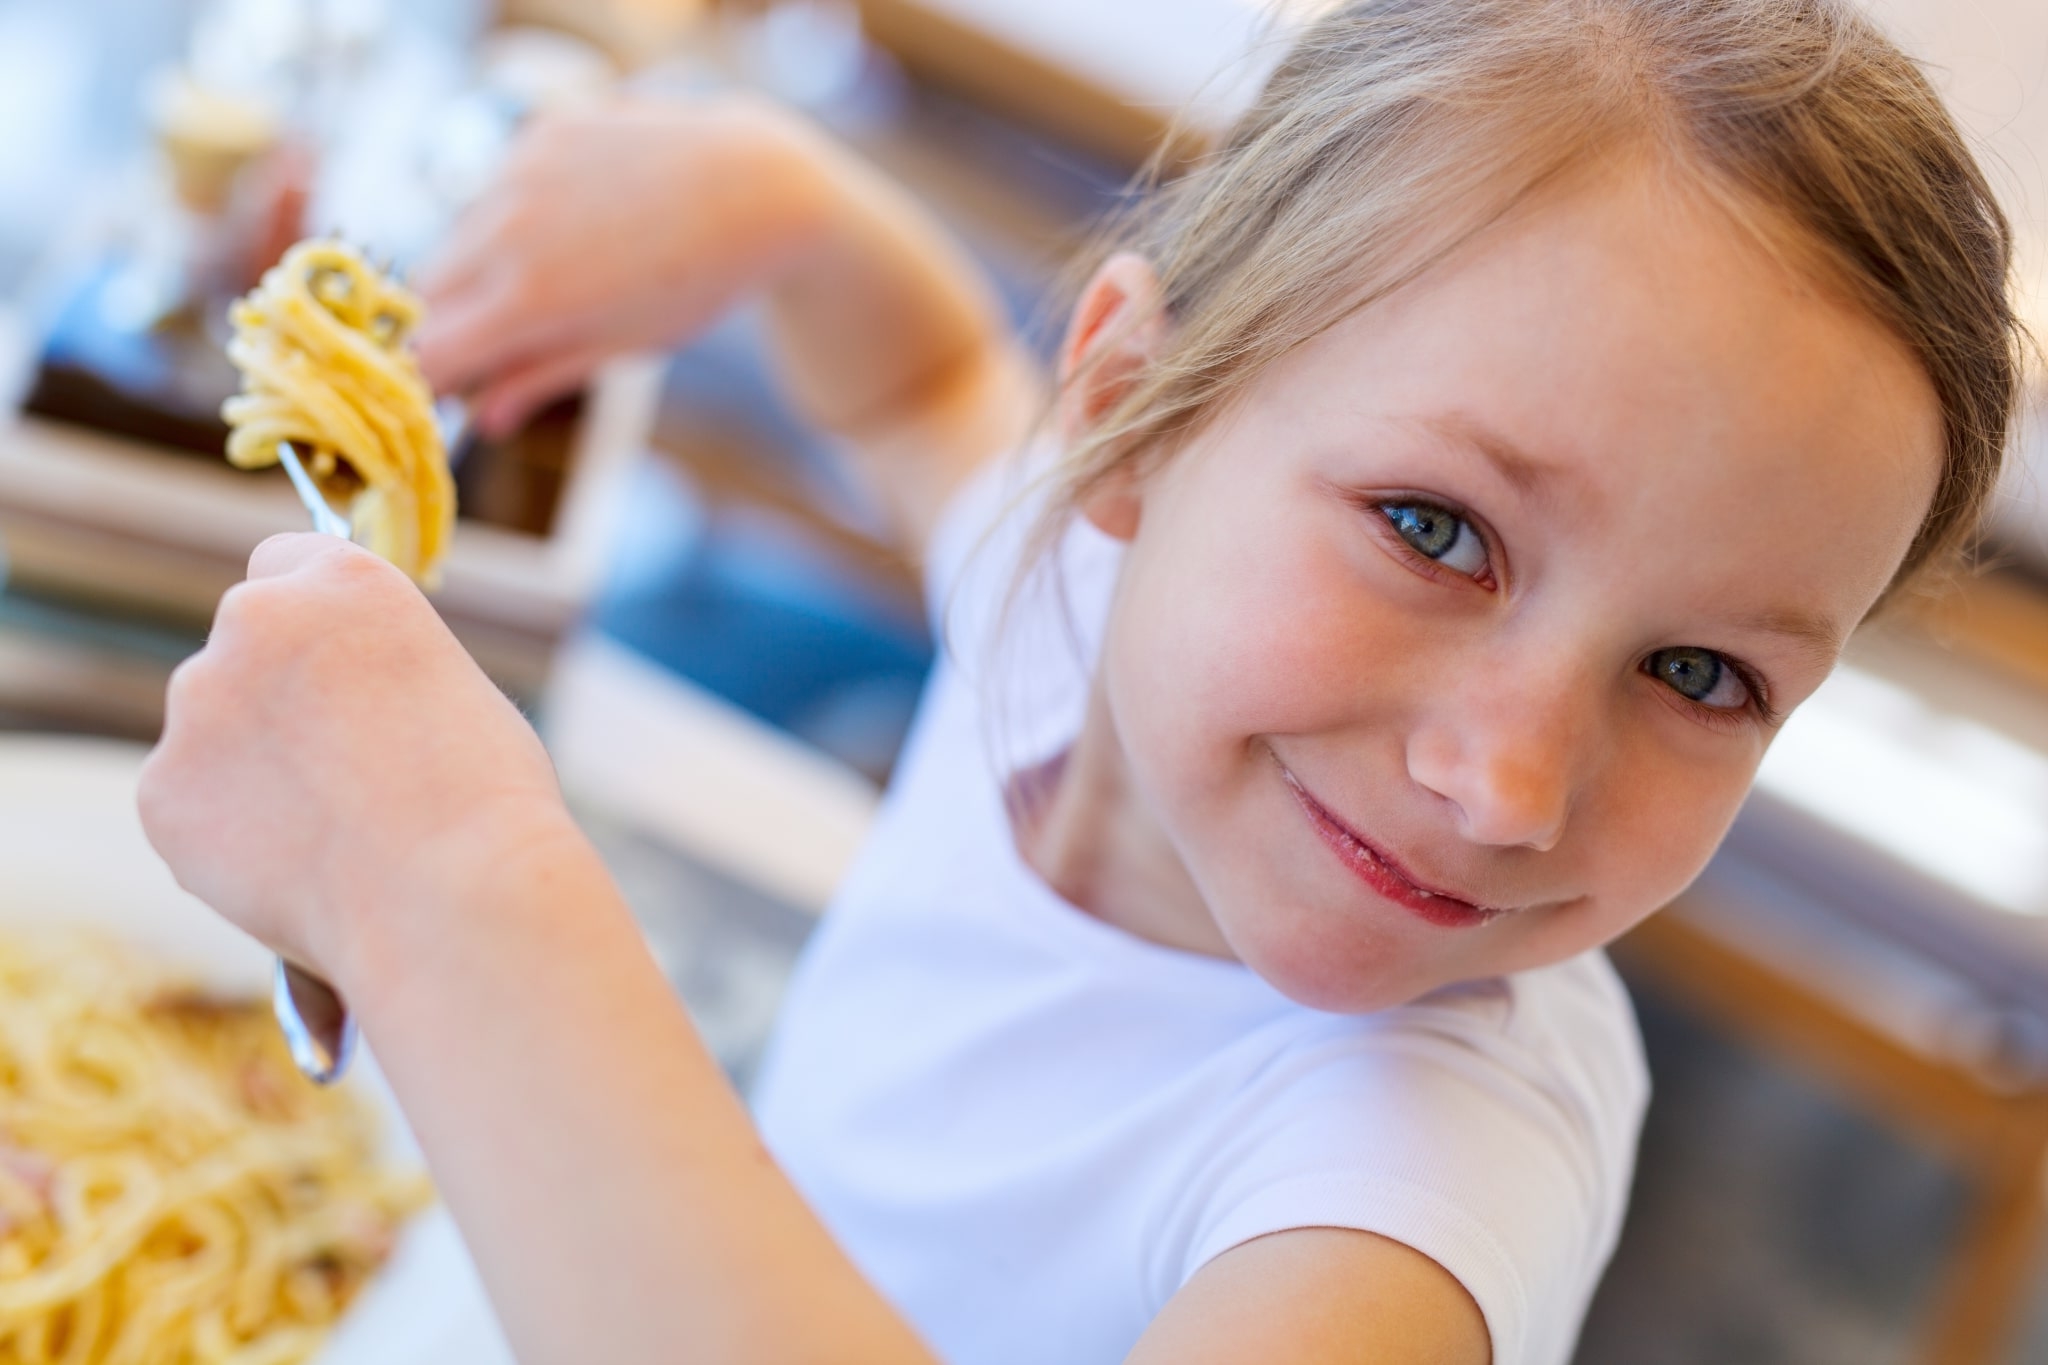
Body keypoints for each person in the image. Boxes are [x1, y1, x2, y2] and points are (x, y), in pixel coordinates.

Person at [139, 1, 2027, 1361]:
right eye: (1438, 531)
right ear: (1128, 417)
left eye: (1700, 669)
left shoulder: (1419, 1179)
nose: (1508, 783)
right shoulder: (1073, 611)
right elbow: (924, 395)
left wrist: (450, 884)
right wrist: (789, 212)